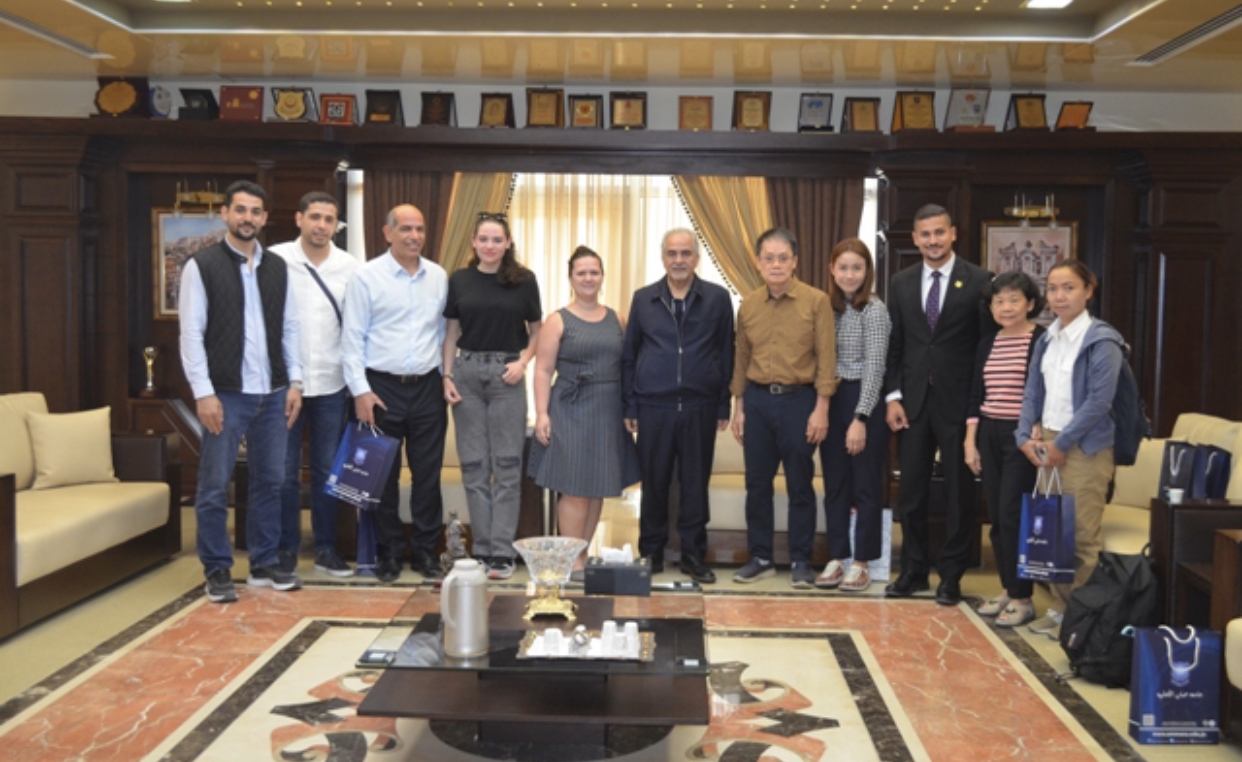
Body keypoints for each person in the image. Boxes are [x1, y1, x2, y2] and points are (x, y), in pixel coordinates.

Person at [178, 179, 304, 603]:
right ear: (226, 214)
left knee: (271, 481)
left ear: (264, 218)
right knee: (215, 484)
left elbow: (290, 328)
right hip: (226, 394)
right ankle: (216, 568)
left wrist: (295, 382)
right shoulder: (202, 265)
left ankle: (263, 562)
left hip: (274, 392)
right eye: (240, 210)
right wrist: (203, 393)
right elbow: (191, 334)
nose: (247, 218)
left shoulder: (277, 268)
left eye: (255, 211)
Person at [884, 204, 995, 606]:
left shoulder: (980, 280)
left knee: (958, 493)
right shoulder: (900, 282)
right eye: (925, 234)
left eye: (939, 232)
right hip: (912, 404)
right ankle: (913, 570)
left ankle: (951, 575)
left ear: (953, 234)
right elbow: (896, 344)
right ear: (915, 239)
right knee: (911, 492)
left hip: (959, 404)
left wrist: (977, 406)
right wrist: (893, 397)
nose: (933, 240)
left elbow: (985, 348)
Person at [341, 204, 448, 584]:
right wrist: (361, 391)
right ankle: (388, 552)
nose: (414, 236)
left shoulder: (438, 276)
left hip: (427, 387)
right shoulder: (366, 277)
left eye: (419, 229)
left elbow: (442, 334)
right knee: (380, 477)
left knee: (427, 475)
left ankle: (425, 551)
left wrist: (445, 378)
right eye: (405, 229)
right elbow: (351, 339)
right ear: (388, 233)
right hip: (379, 388)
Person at [1016, 260, 1123, 637]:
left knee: (1080, 536)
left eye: (1069, 288)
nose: (1059, 296)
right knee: (1053, 532)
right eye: (1053, 289)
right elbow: (1032, 391)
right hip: (1047, 441)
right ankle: (1061, 611)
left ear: (1089, 291)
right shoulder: (1047, 338)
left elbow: (1099, 402)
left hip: (1085, 447)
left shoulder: (1101, 340)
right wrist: (1024, 437)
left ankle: (1083, 621)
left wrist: (1061, 443)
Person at [622, 229, 735, 584]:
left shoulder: (717, 298)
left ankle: (693, 555)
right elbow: (630, 355)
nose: (679, 260)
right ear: (663, 258)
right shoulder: (644, 299)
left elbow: (726, 352)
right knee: (654, 483)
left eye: (686, 253)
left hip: (701, 405)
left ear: (696, 258)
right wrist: (631, 406)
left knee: (694, 484)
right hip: (653, 407)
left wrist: (723, 405)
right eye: (672, 253)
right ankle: (651, 552)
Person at [730, 228, 836, 589]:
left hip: (800, 401)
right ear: (758, 263)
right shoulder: (748, 304)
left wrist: (822, 408)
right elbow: (741, 358)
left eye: (783, 258)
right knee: (757, 484)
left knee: (799, 484)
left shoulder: (816, 301)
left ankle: (801, 560)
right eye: (769, 258)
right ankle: (759, 557)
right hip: (757, 401)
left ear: (795, 262)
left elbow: (827, 357)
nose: (776, 265)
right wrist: (739, 407)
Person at [529, 246, 641, 580]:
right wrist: (542, 414)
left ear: (602, 276)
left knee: (597, 487)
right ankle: (570, 561)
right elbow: (542, 370)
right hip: (570, 409)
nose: (588, 278)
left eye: (594, 272)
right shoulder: (557, 320)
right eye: (582, 273)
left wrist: (630, 407)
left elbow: (628, 366)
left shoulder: (617, 318)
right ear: (571, 278)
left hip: (608, 410)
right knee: (575, 487)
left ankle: (582, 555)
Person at [442, 212, 542, 580]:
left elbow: (537, 331)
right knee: (473, 467)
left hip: (506, 376)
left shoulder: (524, 280)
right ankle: (481, 549)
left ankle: (502, 551)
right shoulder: (460, 279)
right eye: (483, 239)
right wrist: (446, 376)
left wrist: (523, 362)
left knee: (507, 467)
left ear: (508, 243)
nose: (489, 246)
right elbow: (451, 333)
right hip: (466, 374)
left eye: (497, 240)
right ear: (473, 241)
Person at [268, 191, 359, 578]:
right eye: (315, 217)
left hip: (332, 384)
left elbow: (356, 325)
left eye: (329, 219)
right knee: (284, 473)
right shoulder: (275, 259)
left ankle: (326, 548)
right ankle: (286, 548)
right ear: (299, 219)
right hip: (284, 385)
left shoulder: (349, 266)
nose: (322, 225)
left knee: (326, 471)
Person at [964, 271, 1045, 626]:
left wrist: (1037, 426)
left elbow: (1048, 389)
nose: (1006, 307)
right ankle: (1009, 588)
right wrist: (970, 441)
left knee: (1014, 514)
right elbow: (976, 395)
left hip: (1022, 435)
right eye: (999, 301)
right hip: (988, 432)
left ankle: (1023, 597)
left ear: (1030, 303)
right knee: (997, 516)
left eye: (1014, 300)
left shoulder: (1041, 340)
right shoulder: (988, 343)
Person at [816, 238, 890, 593]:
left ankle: (861, 562)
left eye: (857, 268)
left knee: (865, 484)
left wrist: (860, 418)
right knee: (835, 484)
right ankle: (837, 557)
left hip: (865, 401)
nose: (849, 274)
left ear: (867, 272)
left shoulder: (874, 309)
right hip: (831, 397)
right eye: (843, 267)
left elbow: (876, 367)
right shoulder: (825, 307)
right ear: (832, 269)